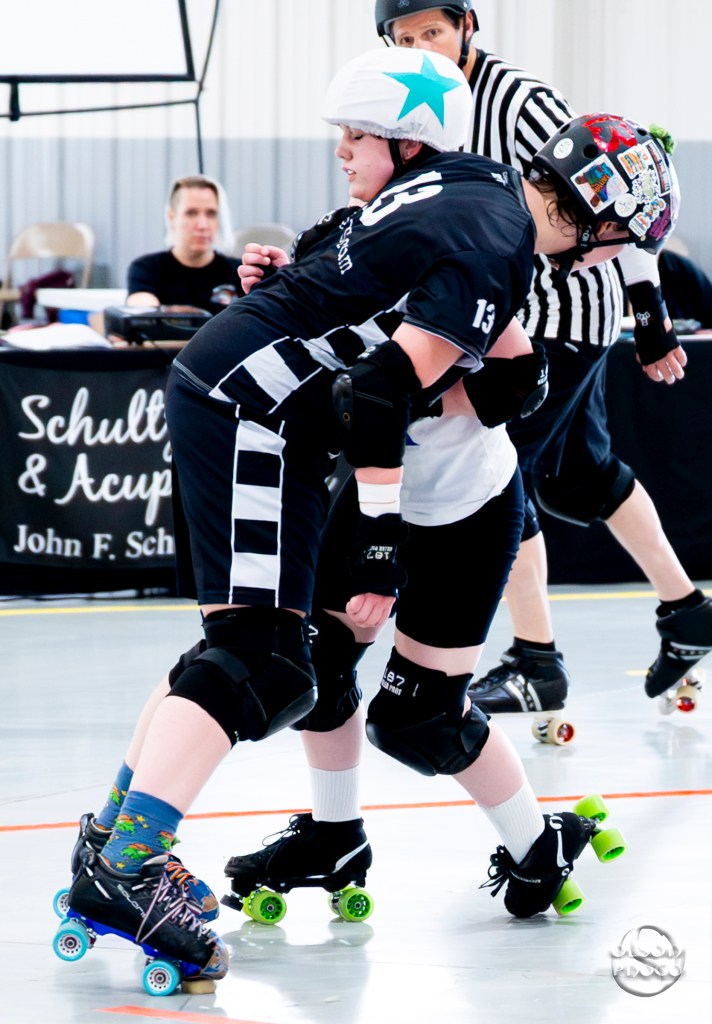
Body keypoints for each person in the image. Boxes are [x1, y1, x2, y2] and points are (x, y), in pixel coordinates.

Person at [61, 46, 677, 991]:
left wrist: (289, 284)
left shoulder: (476, 188)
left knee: (317, 680)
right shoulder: (498, 244)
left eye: (356, 136)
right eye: (613, 244)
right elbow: (379, 391)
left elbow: (377, 272)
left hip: (365, 461)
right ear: (596, 225)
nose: (605, 261)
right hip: (264, 419)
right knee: (266, 662)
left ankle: (119, 839)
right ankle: (128, 863)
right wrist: (382, 548)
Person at [374, 0, 712, 713]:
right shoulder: (420, 111)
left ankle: (537, 663)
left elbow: (623, 189)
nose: (422, 50)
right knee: (581, 478)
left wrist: (649, 314)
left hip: (560, 315)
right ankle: (688, 612)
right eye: (405, 39)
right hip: (512, 311)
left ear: (467, 27)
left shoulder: (519, 100)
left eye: (433, 32)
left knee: (495, 474)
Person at [125, 174, 244, 315]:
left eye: (211, 214)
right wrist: (145, 310)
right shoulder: (147, 269)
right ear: (172, 218)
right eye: (191, 213)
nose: (203, 225)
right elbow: (141, 310)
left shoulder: (241, 273)